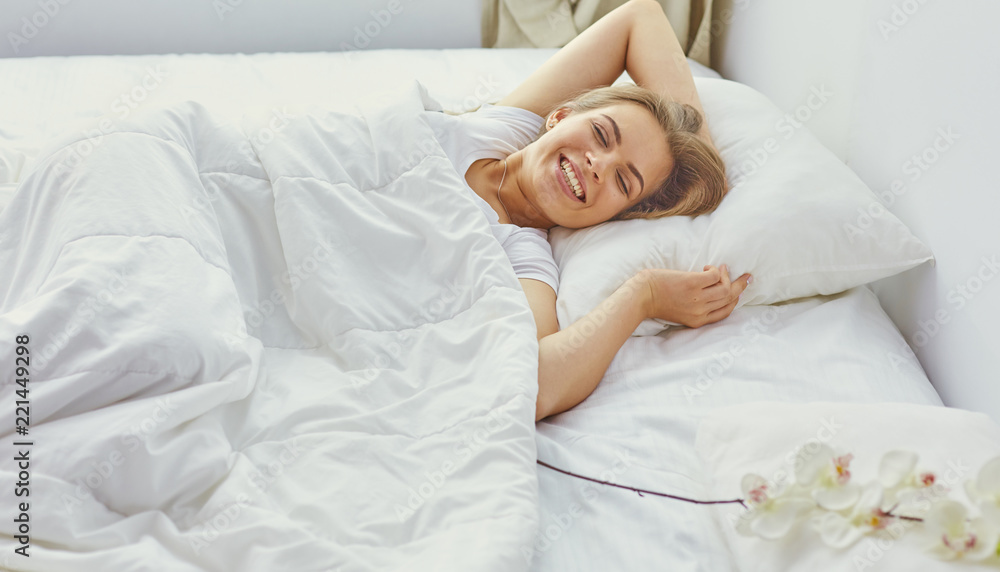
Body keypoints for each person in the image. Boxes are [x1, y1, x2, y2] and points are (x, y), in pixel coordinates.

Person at [423, 0, 751, 422]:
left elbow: (533, 384)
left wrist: (644, 295)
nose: (598, 165)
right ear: (559, 116)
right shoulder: (499, 128)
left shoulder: (526, 262)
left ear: (615, 216)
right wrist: (700, 149)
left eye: (623, 182)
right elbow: (640, 17)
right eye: (600, 134)